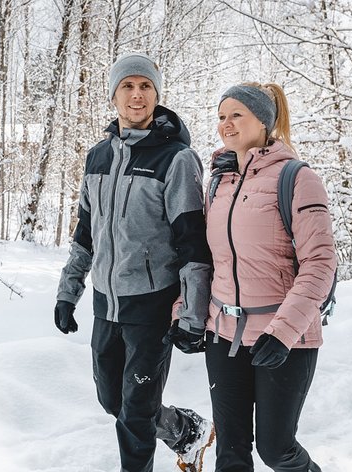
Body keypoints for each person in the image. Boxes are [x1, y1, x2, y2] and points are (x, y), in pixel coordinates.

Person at [55, 52, 215, 472]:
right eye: (127, 86)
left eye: (145, 86)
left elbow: (192, 243)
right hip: (106, 305)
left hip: (151, 306)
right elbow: (85, 234)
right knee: (113, 401)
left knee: (136, 415)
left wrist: (193, 313)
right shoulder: (97, 157)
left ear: (157, 95)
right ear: (114, 96)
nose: (137, 94)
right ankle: (184, 430)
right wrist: (67, 293)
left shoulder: (176, 159)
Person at [204, 82, 336, 472]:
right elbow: (206, 259)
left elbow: (320, 263)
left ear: (263, 120)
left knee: (276, 449)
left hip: (283, 337)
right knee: (230, 452)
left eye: (236, 115)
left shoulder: (297, 178)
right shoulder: (218, 182)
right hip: (223, 334)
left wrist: (283, 332)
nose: (226, 124)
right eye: (221, 116)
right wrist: (187, 313)